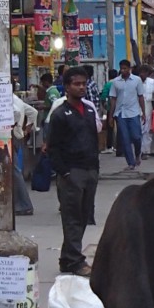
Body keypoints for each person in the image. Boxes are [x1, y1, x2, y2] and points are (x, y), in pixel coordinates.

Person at [47, 67, 100, 276]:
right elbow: (53, 147)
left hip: (90, 170)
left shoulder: (88, 110)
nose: (81, 87)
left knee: (85, 215)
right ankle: (75, 260)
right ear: (67, 87)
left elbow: (95, 139)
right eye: (77, 84)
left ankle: (67, 258)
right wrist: (64, 172)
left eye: (84, 84)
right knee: (72, 217)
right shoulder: (60, 114)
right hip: (72, 172)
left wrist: (95, 168)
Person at [108, 60, 145, 170]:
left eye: (125, 68)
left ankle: (138, 153)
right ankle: (131, 163)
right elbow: (113, 99)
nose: (123, 71)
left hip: (133, 112)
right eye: (121, 68)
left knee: (136, 137)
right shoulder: (115, 82)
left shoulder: (137, 80)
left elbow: (141, 97)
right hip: (120, 114)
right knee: (125, 138)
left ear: (130, 69)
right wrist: (110, 116)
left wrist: (143, 112)